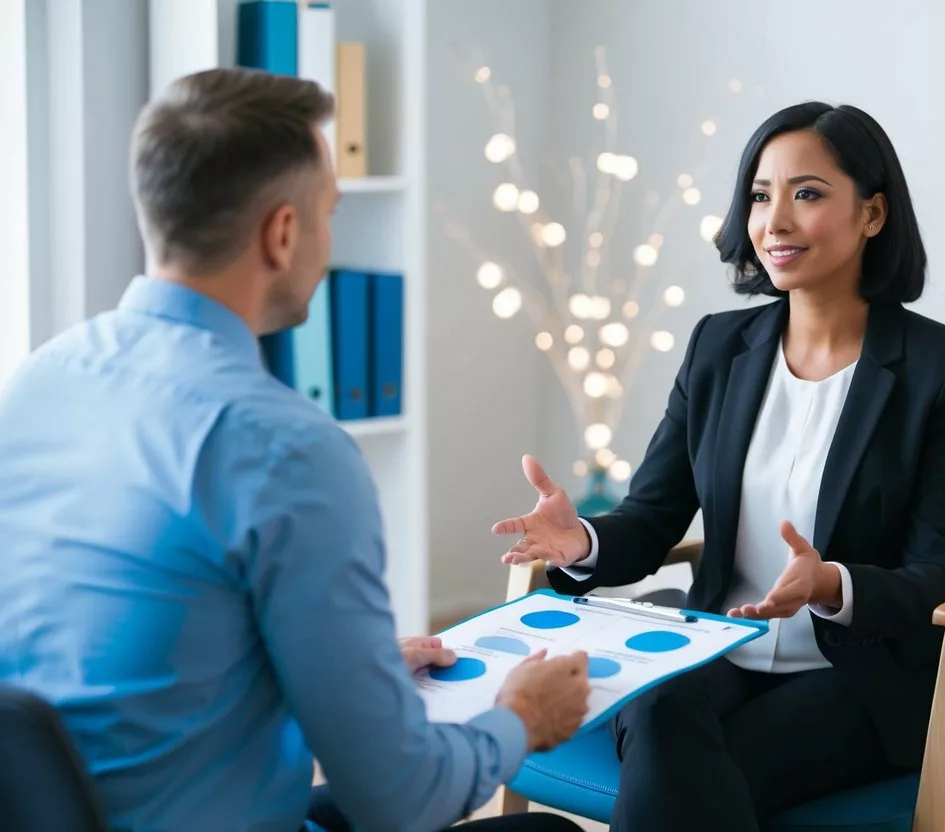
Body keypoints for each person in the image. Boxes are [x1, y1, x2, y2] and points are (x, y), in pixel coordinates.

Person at [0, 67, 589, 832]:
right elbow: (401, 801)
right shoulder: (287, 449)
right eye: (327, 215)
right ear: (282, 233)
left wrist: (354, 673)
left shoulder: (38, 379)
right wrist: (518, 718)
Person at [492, 101, 945, 831]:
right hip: (715, 647)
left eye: (807, 193)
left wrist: (831, 582)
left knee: (692, 771)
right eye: (760, 195)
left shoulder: (941, 371)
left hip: (858, 675)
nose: (774, 221)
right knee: (662, 708)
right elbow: (653, 515)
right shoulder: (717, 349)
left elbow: (940, 574)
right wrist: (583, 544)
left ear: (872, 213)